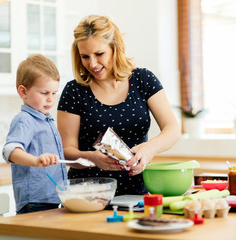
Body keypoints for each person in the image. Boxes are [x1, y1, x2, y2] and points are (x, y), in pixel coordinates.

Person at [57, 15, 180, 196]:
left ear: (115, 48)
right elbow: (66, 152)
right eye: (85, 56)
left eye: (99, 54)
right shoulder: (74, 91)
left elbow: (173, 128)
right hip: (87, 196)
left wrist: (149, 148)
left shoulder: (143, 80)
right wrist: (92, 157)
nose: (92, 63)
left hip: (137, 194)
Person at [3, 54, 68, 214]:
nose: (50, 99)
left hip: (51, 197)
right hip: (35, 200)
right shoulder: (24, 120)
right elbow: (10, 151)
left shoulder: (46, 120)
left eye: (54, 93)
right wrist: (35, 160)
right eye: (44, 93)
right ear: (23, 92)